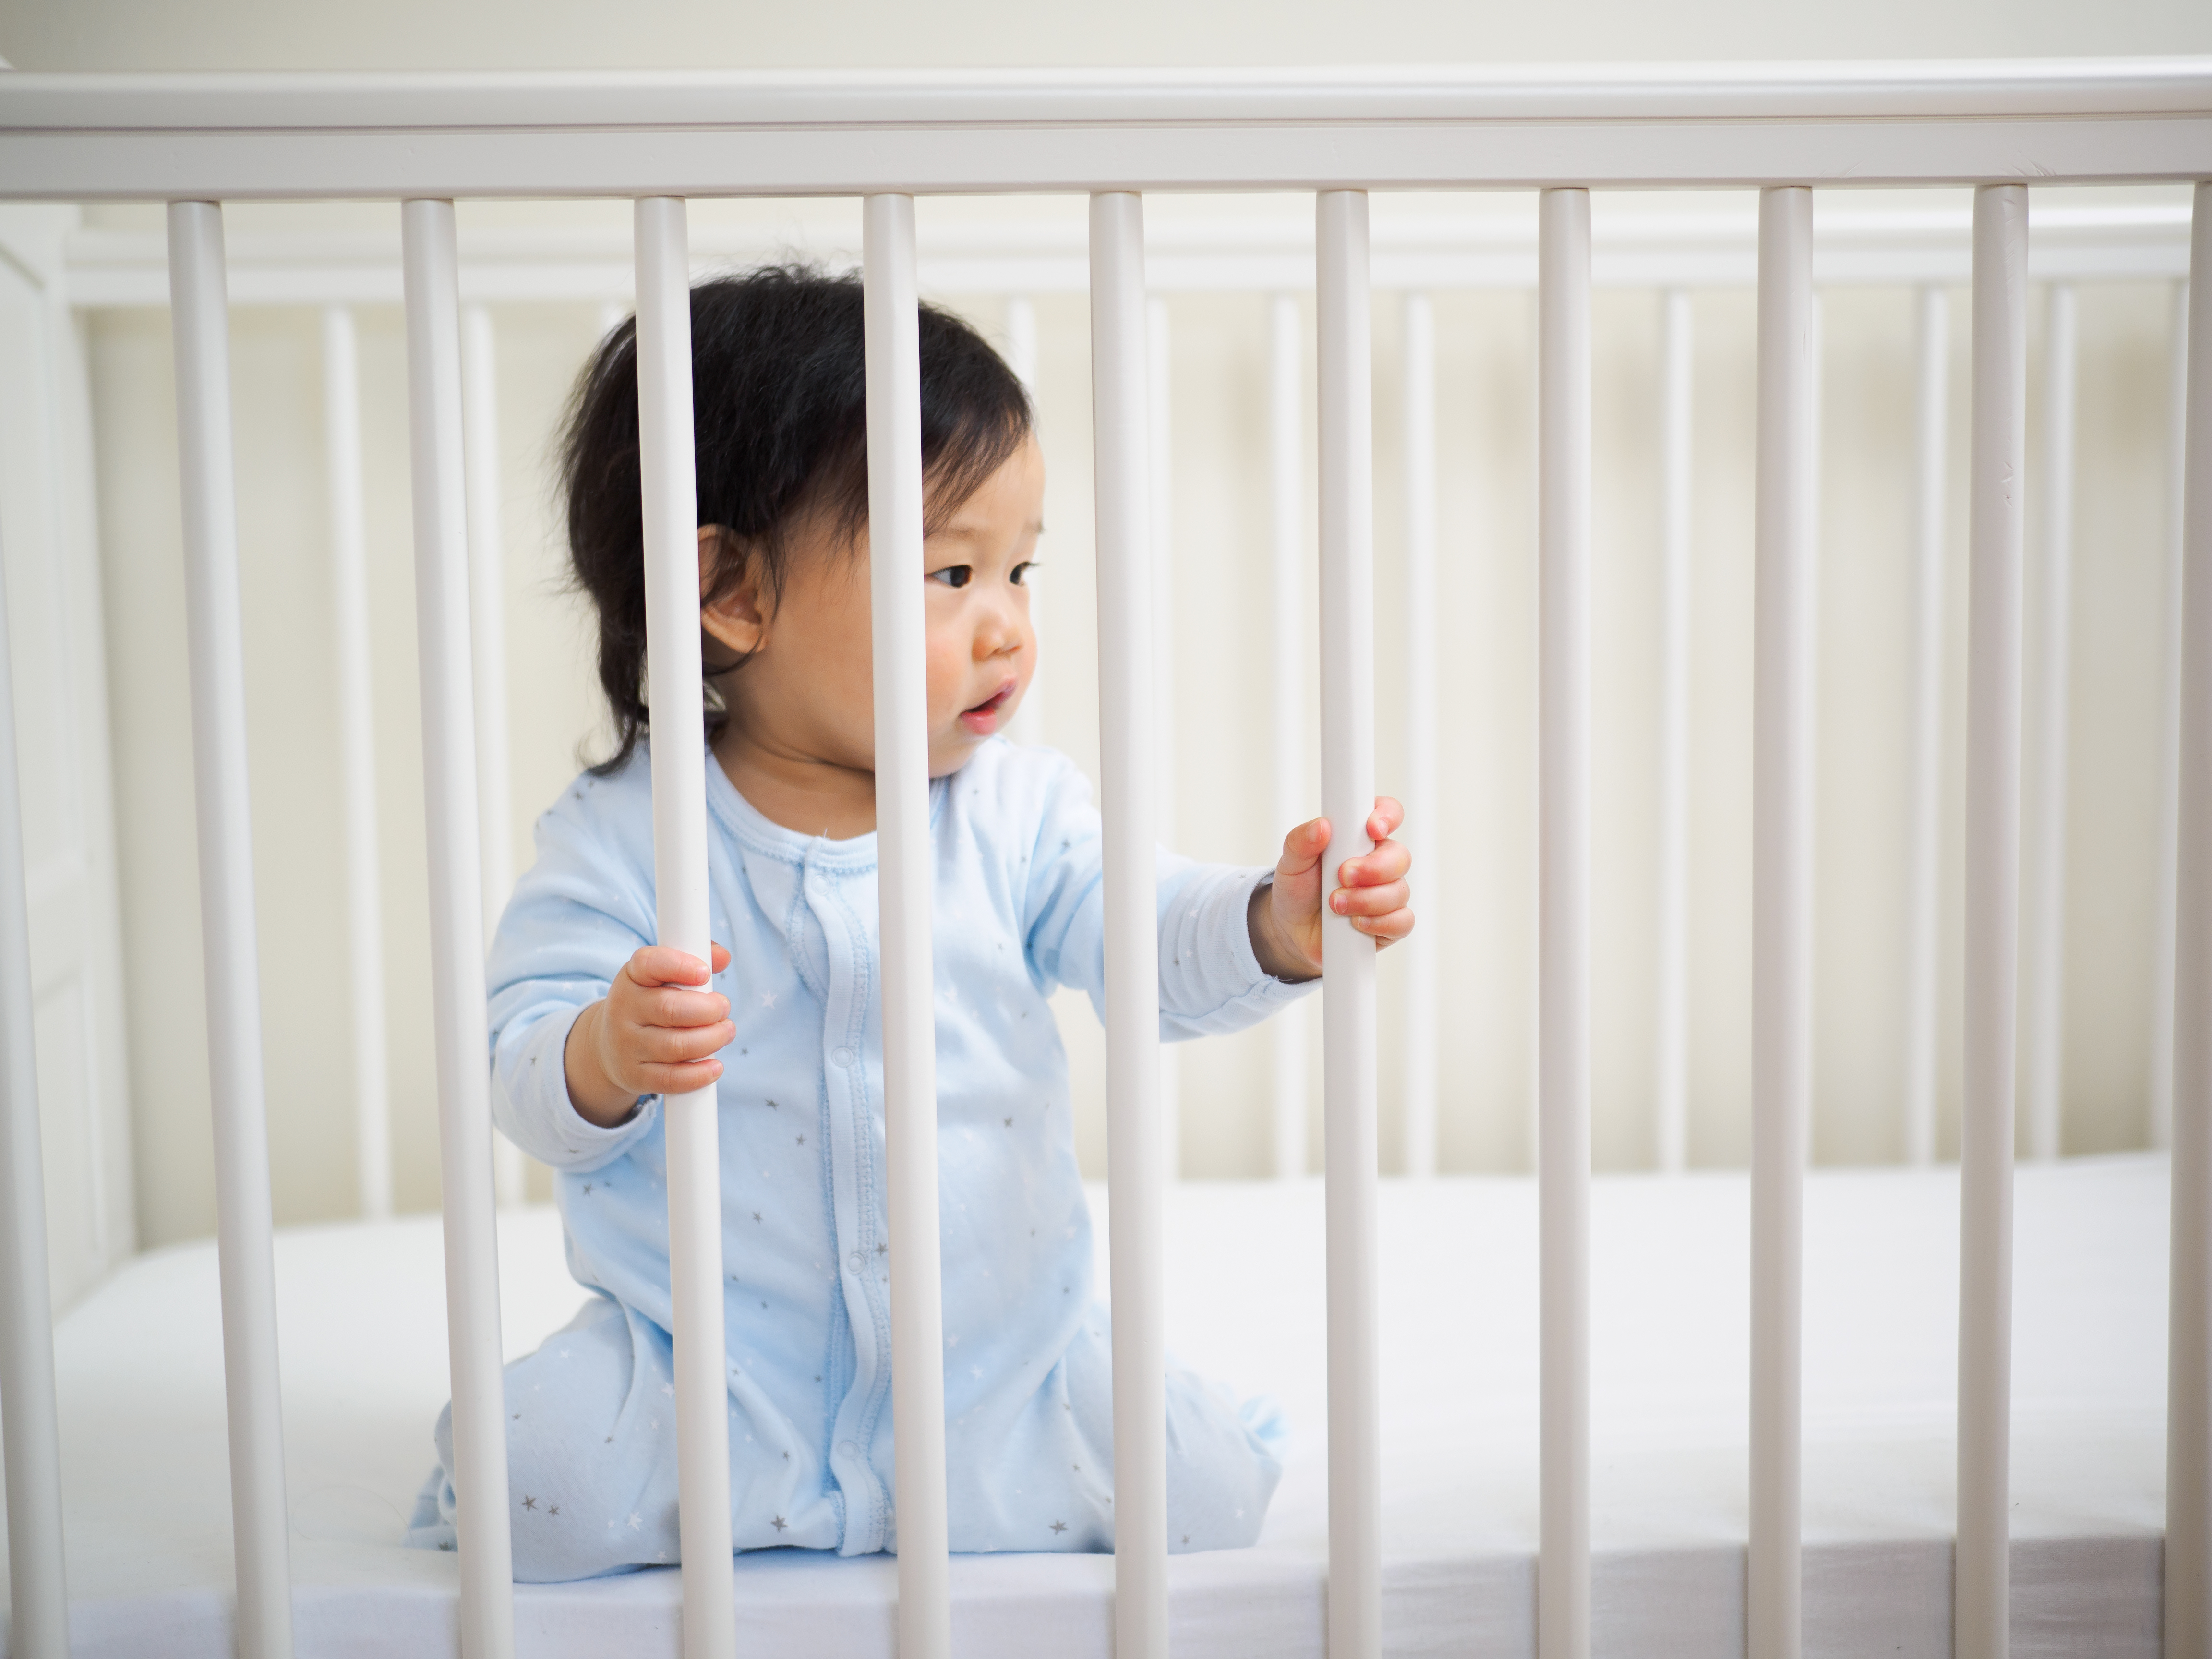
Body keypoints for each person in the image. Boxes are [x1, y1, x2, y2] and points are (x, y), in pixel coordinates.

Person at [407, 266, 1414, 1580]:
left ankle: (1013, 1460)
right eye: (951, 570)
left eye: (1020, 568)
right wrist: (604, 1053)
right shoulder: (626, 836)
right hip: (712, 1380)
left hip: (1001, 1370)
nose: (1008, 625)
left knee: (1206, 1486)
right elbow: (523, 1062)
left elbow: (1148, 939)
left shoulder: (1015, 816)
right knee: (528, 1486)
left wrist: (1277, 924)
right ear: (733, 592)